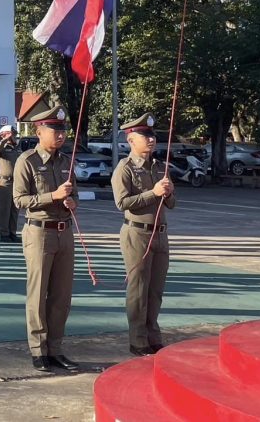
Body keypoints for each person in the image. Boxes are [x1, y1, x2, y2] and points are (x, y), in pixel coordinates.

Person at [13, 105, 80, 372]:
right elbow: (19, 200)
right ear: (39, 131)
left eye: (63, 130)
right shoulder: (27, 161)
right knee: (38, 293)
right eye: (55, 130)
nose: (61, 135)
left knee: (62, 295)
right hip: (39, 232)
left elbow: (74, 195)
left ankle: (55, 348)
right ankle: (38, 350)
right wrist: (52, 196)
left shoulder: (66, 162)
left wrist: (72, 202)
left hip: (65, 233)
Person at [112, 114, 175, 356]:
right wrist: (153, 193)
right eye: (145, 136)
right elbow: (122, 202)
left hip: (160, 233)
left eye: (152, 135)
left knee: (156, 289)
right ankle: (138, 340)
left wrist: (168, 193)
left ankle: (153, 335)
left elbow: (172, 204)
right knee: (139, 289)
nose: (151, 139)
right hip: (137, 233)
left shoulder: (159, 167)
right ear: (131, 140)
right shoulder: (125, 168)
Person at [0, 124, 22, 242]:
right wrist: (4, 140)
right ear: (5, 135)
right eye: (13, 134)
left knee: (15, 209)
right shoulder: (1, 148)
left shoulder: (17, 148)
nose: (15, 137)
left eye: (15, 134)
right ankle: (4, 234)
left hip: (16, 182)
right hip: (5, 182)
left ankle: (12, 233)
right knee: (5, 209)